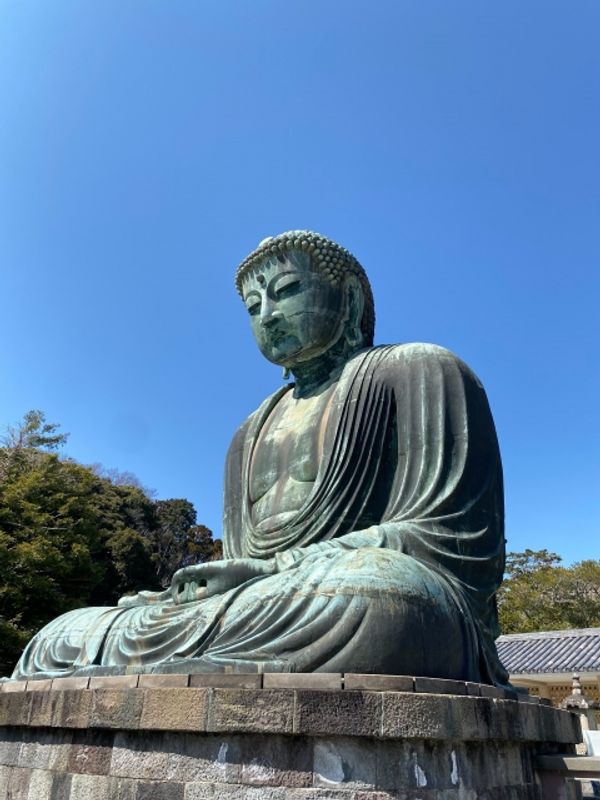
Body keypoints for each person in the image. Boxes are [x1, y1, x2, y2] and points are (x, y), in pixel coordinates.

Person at [13, 231, 508, 684]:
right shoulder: (247, 432)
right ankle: (188, 657)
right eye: (253, 305)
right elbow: (237, 562)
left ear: (351, 298)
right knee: (64, 633)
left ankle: (219, 658)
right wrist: (199, 592)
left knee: (379, 601)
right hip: (259, 603)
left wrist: (279, 569)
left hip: (358, 592)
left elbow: (452, 539)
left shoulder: (419, 369)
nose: (268, 315)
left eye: (288, 290)